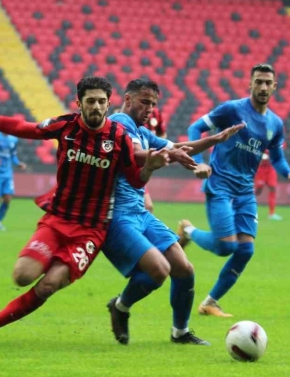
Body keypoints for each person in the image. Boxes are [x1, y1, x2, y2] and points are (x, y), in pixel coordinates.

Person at [0, 76, 170, 348]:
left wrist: (150, 166)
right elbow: (23, 127)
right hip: (57, 221)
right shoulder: (65, 126)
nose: (96, 107)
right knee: (22, 276)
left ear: (109, 103)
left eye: (102, 102)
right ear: (79, 103)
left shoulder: (118, 137)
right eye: (90, 101)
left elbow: (136, 180)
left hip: (91, 231)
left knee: (48, 285)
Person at [103, 78, 244, 344]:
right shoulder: (118, 124)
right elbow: (133, 154)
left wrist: (215, 139)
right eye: (145, 102)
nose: (150, 109)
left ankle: (180, 332)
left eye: (154, 104)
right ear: (128, 98)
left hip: (139, 213)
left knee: (183, 268)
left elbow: (177, 147)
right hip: (116, 215)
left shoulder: (142, 131)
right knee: (159, 270)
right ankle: (120, 307)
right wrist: (169, 155)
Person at [177, 64, 290, 317]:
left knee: (245, 249)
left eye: (268, 82)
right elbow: (195, 128)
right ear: (250, 84)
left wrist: (289, 173)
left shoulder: (275, 124)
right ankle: (188, 231)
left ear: (275, 86)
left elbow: (277, 158)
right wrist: (200, 162)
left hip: (245, 191)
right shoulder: (232, 109)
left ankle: (210, 303)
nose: (263, 87)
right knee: (226, 247)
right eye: (259, 81)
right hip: (220, 184)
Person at [254, 151, 281, 220]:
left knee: (273, 188)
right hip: (261, 169)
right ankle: (245, 206)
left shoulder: (274, 143)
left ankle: (271, 214)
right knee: (258, 191)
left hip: (270, 169)